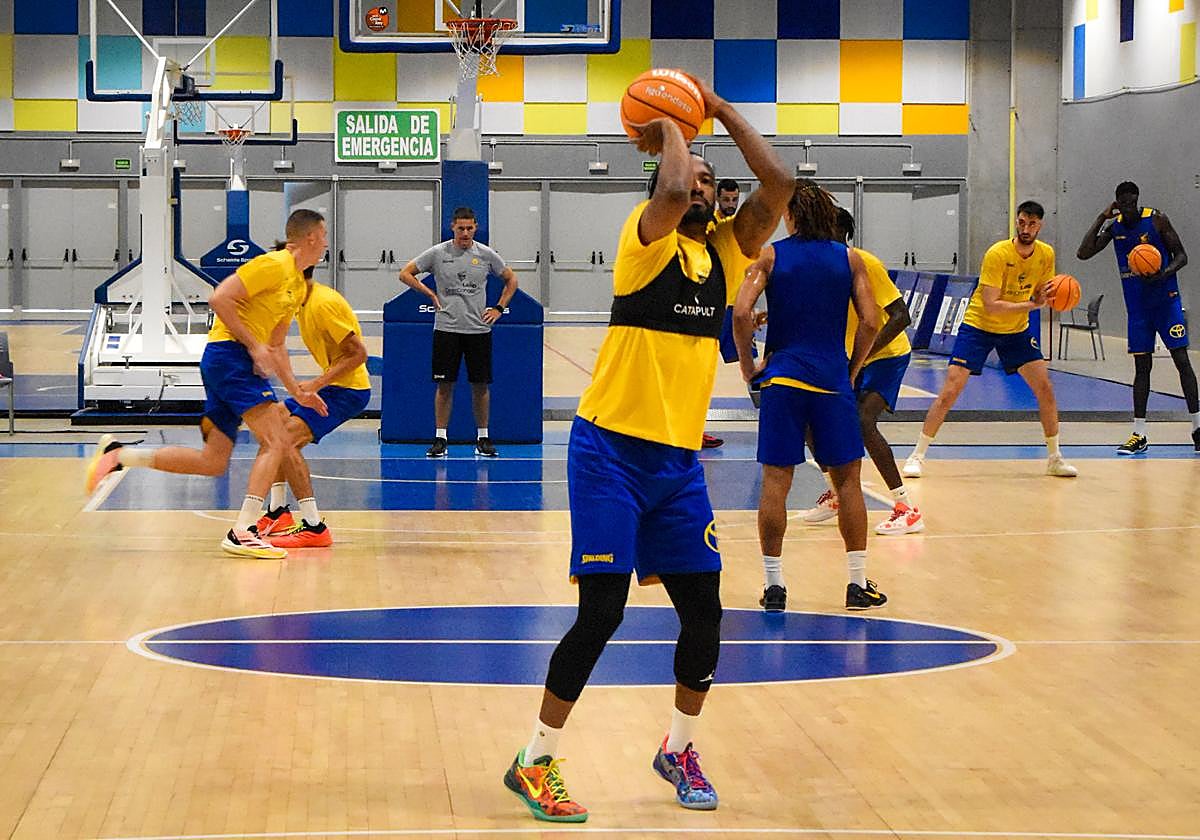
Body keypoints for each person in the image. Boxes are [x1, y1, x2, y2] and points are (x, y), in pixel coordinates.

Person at [502, 77, 791, 823]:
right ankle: (534, 761)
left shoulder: (728, 255)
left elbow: (780, 182)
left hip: (676, 466)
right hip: (608, 453)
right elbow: (666, 185)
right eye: (691, 177)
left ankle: (679, 748)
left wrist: (719, 110)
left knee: (706, 613)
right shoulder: (645, 239)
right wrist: (669, 126)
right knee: (602, 614)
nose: (699, 184)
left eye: (708, 182)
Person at [85, 210, 330, 559]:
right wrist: (252, 345)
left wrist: (297, 392)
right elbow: (220, 298)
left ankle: (120, 456)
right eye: (323, 236)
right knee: (278, 440)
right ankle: (242, 531)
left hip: (232, 363)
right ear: (309, 237)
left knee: (212, 462)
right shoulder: (273, 265)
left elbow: (276, 347)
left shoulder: (295, 285)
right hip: (229, 356)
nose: (325, 243)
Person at [733, 183, 887, 614]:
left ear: (791, 216)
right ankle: (857, 584)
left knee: (776, 483)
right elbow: (872, 322)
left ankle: (774, 585)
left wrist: (749, 367)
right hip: (831, 381)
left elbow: (742, 312)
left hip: (783, 381)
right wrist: (852, 370)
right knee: (848, 483)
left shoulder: (772, 255)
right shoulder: (849, 258)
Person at [902, 201, 1078, 479]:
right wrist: (1033, 306)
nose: (1026, 228)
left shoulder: (1046, 254)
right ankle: (917, 455)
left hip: (1015, 330)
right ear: (1016, 222)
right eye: (1022, 222)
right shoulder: (998, 253)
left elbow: (1042, 292)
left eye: (1032, 224)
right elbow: (992, 304)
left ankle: (1055, 458)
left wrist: (1054, 295)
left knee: (1045, 387)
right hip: (979, 325)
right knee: (950, 390)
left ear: (1040, 226)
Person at [801, 208, 921, 536]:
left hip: (886, 356)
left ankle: (906, 507)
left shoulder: (865, 263)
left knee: (862, 422)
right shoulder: (821, 269)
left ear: (839, 233)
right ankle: (836, 493)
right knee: (812, 419)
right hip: (851, 356)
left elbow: (901, 316)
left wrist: (864, 355)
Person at [1075, 181, 1200, 453]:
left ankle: (1197, 428)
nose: (1129, 208)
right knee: (1142, 369)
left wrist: (1163, 274)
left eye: (1132, 203)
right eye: (1124, 204)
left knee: (1182, 361)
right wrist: (1101, 217)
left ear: (1137, 200)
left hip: (1166, 303)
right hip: (1138, 309)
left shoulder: (1156, 219)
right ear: (1117, 204)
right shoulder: (1115, 226)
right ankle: (1139, 433)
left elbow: (1182, 255)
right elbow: (1083, 253)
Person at [255, 258, 371, 549]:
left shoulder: (322, 304)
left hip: (347, 391)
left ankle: (314, 526)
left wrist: (316, 384)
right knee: (272, 427)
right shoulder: (298, 302)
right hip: (331, 386)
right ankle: (278, 512)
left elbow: (358, 354)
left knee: (286, 441)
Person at [398, 206, 518, 458]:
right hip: (446, 328)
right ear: (452, 227)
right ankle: (440, 438)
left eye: (469, 228)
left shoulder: (486, 255)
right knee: (444, 385)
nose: (465, 233)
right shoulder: (438, 253)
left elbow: (511, 280)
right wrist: (429, 293)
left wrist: (498, 307)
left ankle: (483, 437)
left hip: (478, 330)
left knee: (480, 385)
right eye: (460, 228)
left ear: (476, 228)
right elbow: (405, 273)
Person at [704, 178, 744, 449]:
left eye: (734, 199)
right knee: (704, 372)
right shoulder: (710, 226)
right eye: (726, 200)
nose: (731, 204)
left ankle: (773, 422)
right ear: (718, 198)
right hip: (713, 307)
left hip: (738, 308)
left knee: (753, 370)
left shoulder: (744, 227)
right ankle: (695, 428)